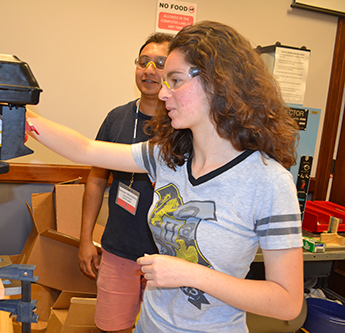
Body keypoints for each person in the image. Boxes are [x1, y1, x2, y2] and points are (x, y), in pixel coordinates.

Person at [26, 21, 303, 333]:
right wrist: (18, 115)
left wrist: (191, 274)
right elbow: (84, 149)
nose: (163, 92)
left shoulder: (269, 183)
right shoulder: (168, 155)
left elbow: (287, 301)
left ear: (217, 82)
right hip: (151, 325)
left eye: (174, 80)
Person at [78, 32, 173, 333]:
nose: (149, 70)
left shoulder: (183, 124)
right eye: (143, 62)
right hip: (118, 250)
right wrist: (85, 239)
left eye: (160, 63)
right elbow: (95, 181)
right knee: (112, 328)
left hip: (168, 257)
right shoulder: (116, 119)